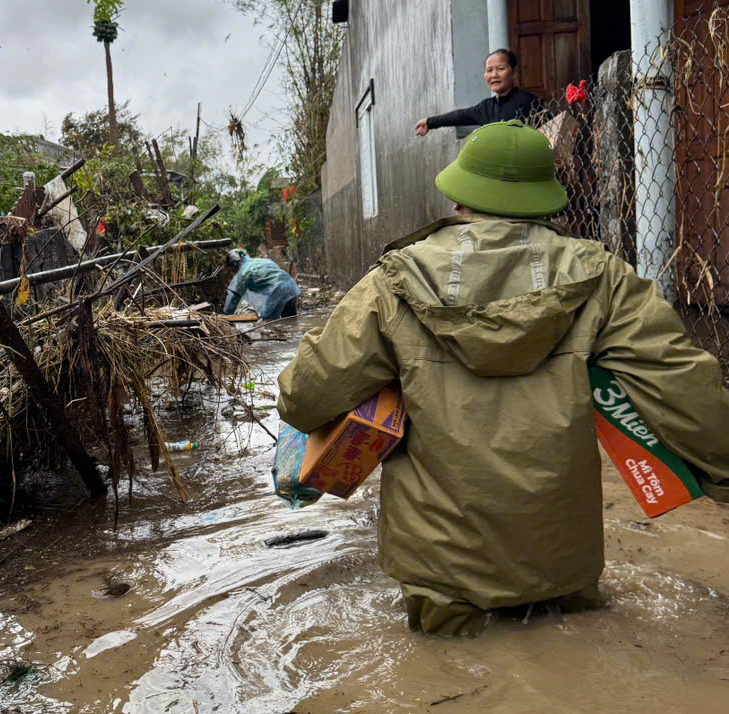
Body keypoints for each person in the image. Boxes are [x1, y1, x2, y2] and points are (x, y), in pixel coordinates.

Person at [276, 120, 729, 636]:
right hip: (563, 559)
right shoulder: (602, 276)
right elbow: (686, 391)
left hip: (440, 571)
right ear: (544, 200)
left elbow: (304, 399)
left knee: (452, 678)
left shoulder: (393, 281)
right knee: (575, 659)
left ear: (460, 196)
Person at [415, 49, 540, 136]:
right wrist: (429, 122)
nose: (494, 75)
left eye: (500, 69)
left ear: (513, 73)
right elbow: (460, 116)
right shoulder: (486, 108)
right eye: (489, 70)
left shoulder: (528, 101)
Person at [223, 248, 301, 320]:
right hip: (291, 287)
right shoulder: (265, 261)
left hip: (277, 290)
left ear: (235, 264)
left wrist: (226, 315)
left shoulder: (244, 272)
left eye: (232, 268)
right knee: (290, 321)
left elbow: (235, 296)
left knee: (269, 324)